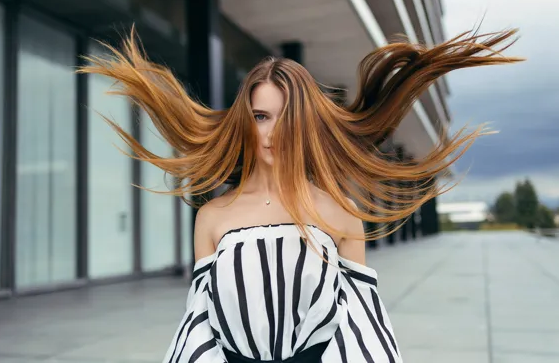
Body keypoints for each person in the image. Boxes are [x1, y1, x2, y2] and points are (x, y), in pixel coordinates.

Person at [79, 28, 521, 362]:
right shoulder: (212, 216)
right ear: (245, 122)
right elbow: (199, 325)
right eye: (261, 116)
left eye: (288, 117)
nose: (274, 132)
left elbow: (363, 321)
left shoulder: (341, 213)